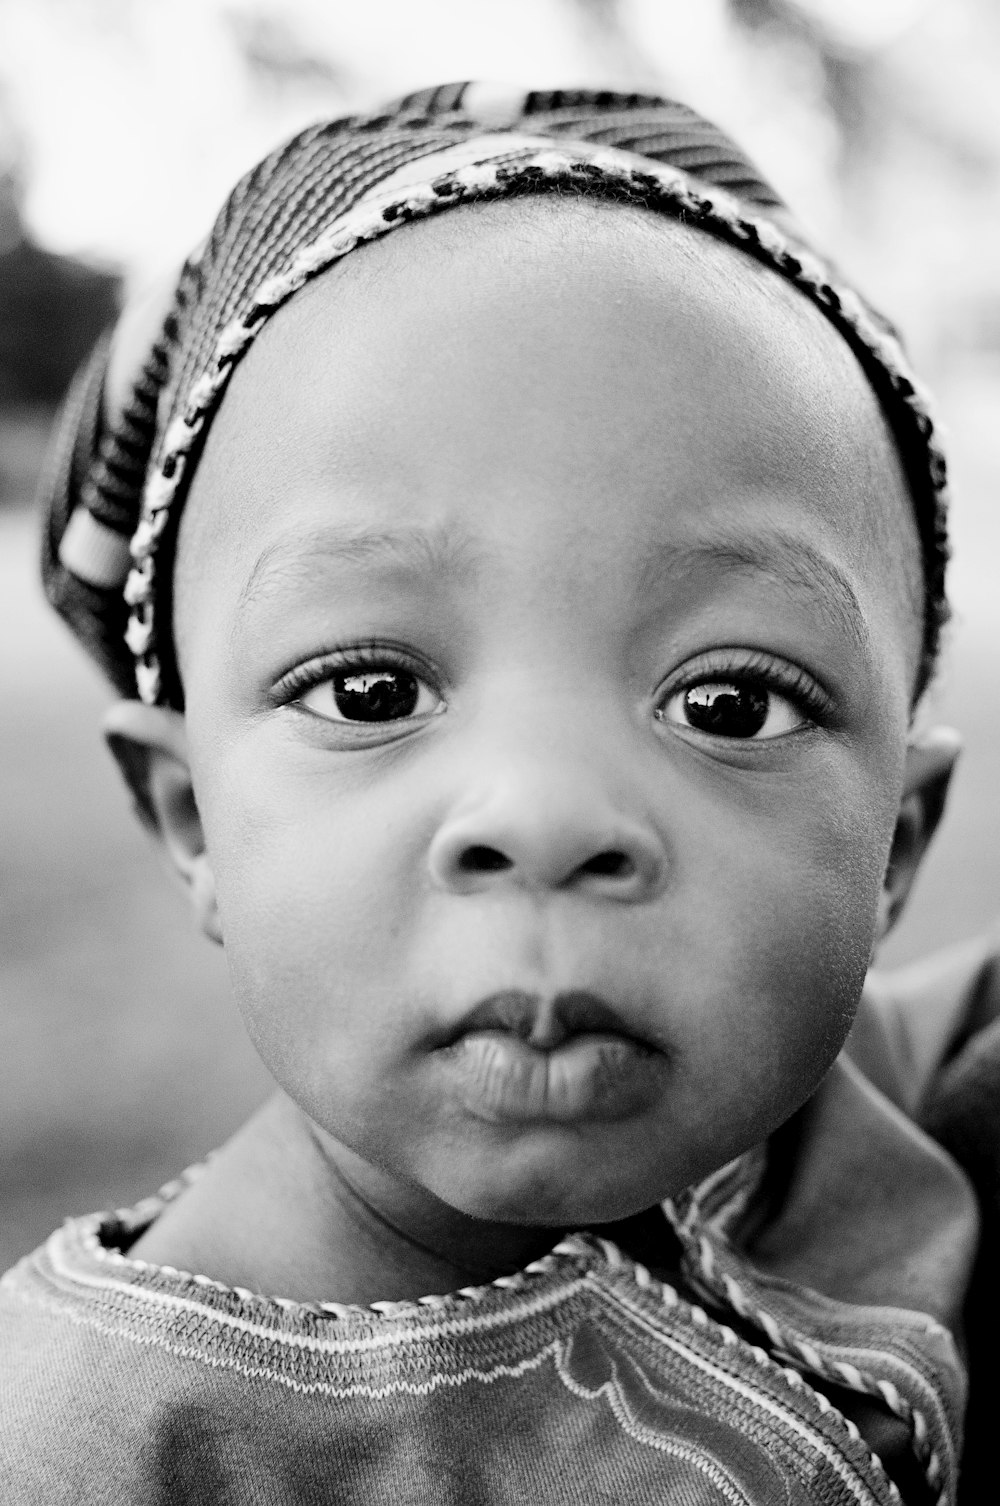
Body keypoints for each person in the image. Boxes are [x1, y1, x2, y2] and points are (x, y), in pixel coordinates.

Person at [1, 83, 991, 1504]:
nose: (544, 811)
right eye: (371, 691)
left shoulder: (863, 1119)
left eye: (728, 704)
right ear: (190, 816)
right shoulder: (92, 1447)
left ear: (894, 844)